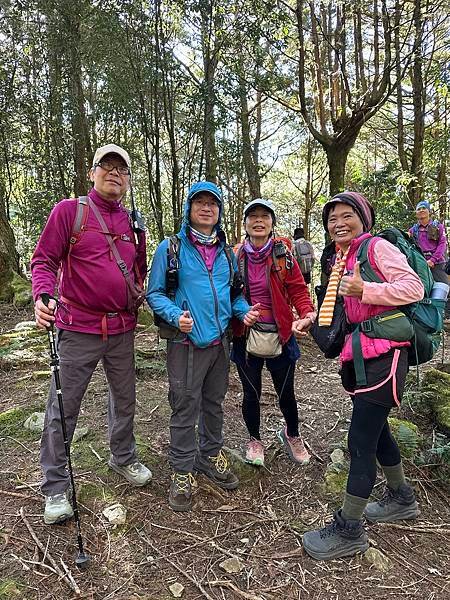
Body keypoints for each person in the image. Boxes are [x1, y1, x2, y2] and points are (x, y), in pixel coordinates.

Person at [32, 143, 152, 525]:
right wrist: (43, 294)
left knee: (125, 399)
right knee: (63, 408)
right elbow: (44, 260)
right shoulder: (70, 212)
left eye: (122, 169)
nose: (114, 173)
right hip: (77, 328)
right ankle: (54, 487)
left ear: (129, 180)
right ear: (92, 172)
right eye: (107, 166)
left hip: (122, 329)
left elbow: (138, 271)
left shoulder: (134, 223)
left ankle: (123, 457)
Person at [302, 191, 424, 561]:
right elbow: (343, 308)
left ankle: (349, 529)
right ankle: (401, 498)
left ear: (363, 217)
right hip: (360, 353)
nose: (338, 223)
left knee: (360, 441)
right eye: (332, 219)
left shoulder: (375, 248)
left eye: (346, 216)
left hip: (385, 354)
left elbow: (414, 287)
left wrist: (367, 288)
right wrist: (312, 321)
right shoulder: (342, 256)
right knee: (377, 429)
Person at [146, 181, 259, 512]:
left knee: (214, 402)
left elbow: (232, 294)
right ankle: (182, 470)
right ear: (189, 209)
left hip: (220, 342)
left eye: (213, 203)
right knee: (184, 405)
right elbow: (154, 294)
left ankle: (210, 455)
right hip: (185, 343)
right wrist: (174, 315)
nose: (207, 208)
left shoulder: (226, 252)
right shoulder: (171, 249)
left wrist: (243, 311)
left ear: (220, 211)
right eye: (200, 203)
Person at [231, 199, 316, 467]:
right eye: (252, 216)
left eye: (264, 216)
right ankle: (254, 439)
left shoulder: (283, 255)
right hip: (245, 335)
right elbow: (227, 293)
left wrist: (307, 313)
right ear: (244, 224)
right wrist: (240, 312)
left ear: (272, 223)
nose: (258, 220)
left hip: (281, 333)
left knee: (286, 392)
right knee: (251, 392)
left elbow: (298, 290)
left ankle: (291, 434)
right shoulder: (235, 256)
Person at [409, 200, 448, 283]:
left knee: (443, 289)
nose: (421, 210)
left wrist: (433, 260)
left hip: (438, 263)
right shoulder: (412, 231)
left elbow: (442, 244)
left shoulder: (438, 227)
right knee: (423, 291)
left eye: (424, 208)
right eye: (419, 209)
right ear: (416, 213)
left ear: (429, 211)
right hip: (420, 264)